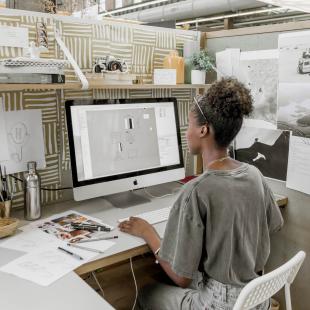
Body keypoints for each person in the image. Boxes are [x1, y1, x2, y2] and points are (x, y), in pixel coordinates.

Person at [119, 78, 284, 310]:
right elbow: (273, 225)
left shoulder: (195, 191)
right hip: (255, 297)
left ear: (203, 130)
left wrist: (149, 233)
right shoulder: (255, 174)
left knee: (147, 292)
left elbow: (181, 278)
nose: (186, 133)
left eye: (188, 125)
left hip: (218, 304)